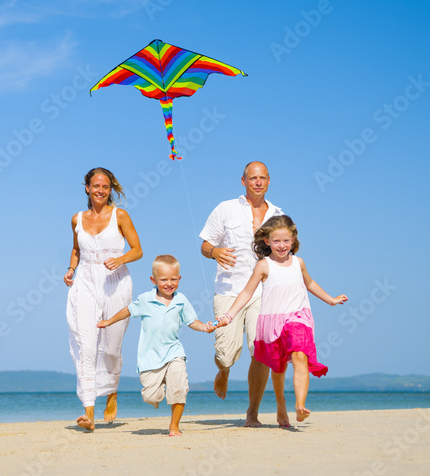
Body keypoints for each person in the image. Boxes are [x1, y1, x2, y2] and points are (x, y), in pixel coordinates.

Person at [217, 215, 347, 426]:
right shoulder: (264, 265)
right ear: (267, 241)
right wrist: (229, 315)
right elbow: (247, 293)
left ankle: (300, 405)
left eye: (286, 240)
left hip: (298, 317)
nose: (282, 245)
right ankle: (281, 405)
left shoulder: (299, 263)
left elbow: (310, 283)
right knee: (278, 369)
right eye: (276, 241)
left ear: (294, 239)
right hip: (272, 321)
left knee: (300, 355)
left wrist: (330, 300)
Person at [199, 161, 284, 427]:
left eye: (262, 178)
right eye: (252, 178)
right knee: (226, 353)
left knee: (260, 350)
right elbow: (204, 245)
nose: (257, 182)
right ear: (243, 181)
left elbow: (285, 255)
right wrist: (215, 252)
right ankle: (223, 371)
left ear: (269, 181)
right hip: (229, 291)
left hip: (263, 292)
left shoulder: (279, 215)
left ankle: (252, 414)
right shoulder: (225, 209)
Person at [97, 255, 218, 436]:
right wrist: (109, 321)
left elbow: (192, 321)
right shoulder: (145, 299)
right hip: (149, 358)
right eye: (164, 280)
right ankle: (159, 388)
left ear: (179, 279)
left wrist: (205, 327)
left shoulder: (181, 300)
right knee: (151, 397)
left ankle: (174, 426)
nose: (169, 284)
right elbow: (128, 310)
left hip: (173, 352)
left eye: (173, 279)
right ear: (153, 280)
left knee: (178, 387)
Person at [64, 167, 143, 431]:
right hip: (85, 282)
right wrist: (71, 269)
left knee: (111, 347)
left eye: (105, 187)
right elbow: (76, 249)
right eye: (96, 186)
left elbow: (138, 250)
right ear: (87, 187)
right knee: (86, 345)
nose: (100, 190)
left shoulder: (119, 215)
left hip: (116, 283)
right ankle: (88, 411)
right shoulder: (76, 219)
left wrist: (120, 259)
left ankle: (112, 391)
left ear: (111, 190)